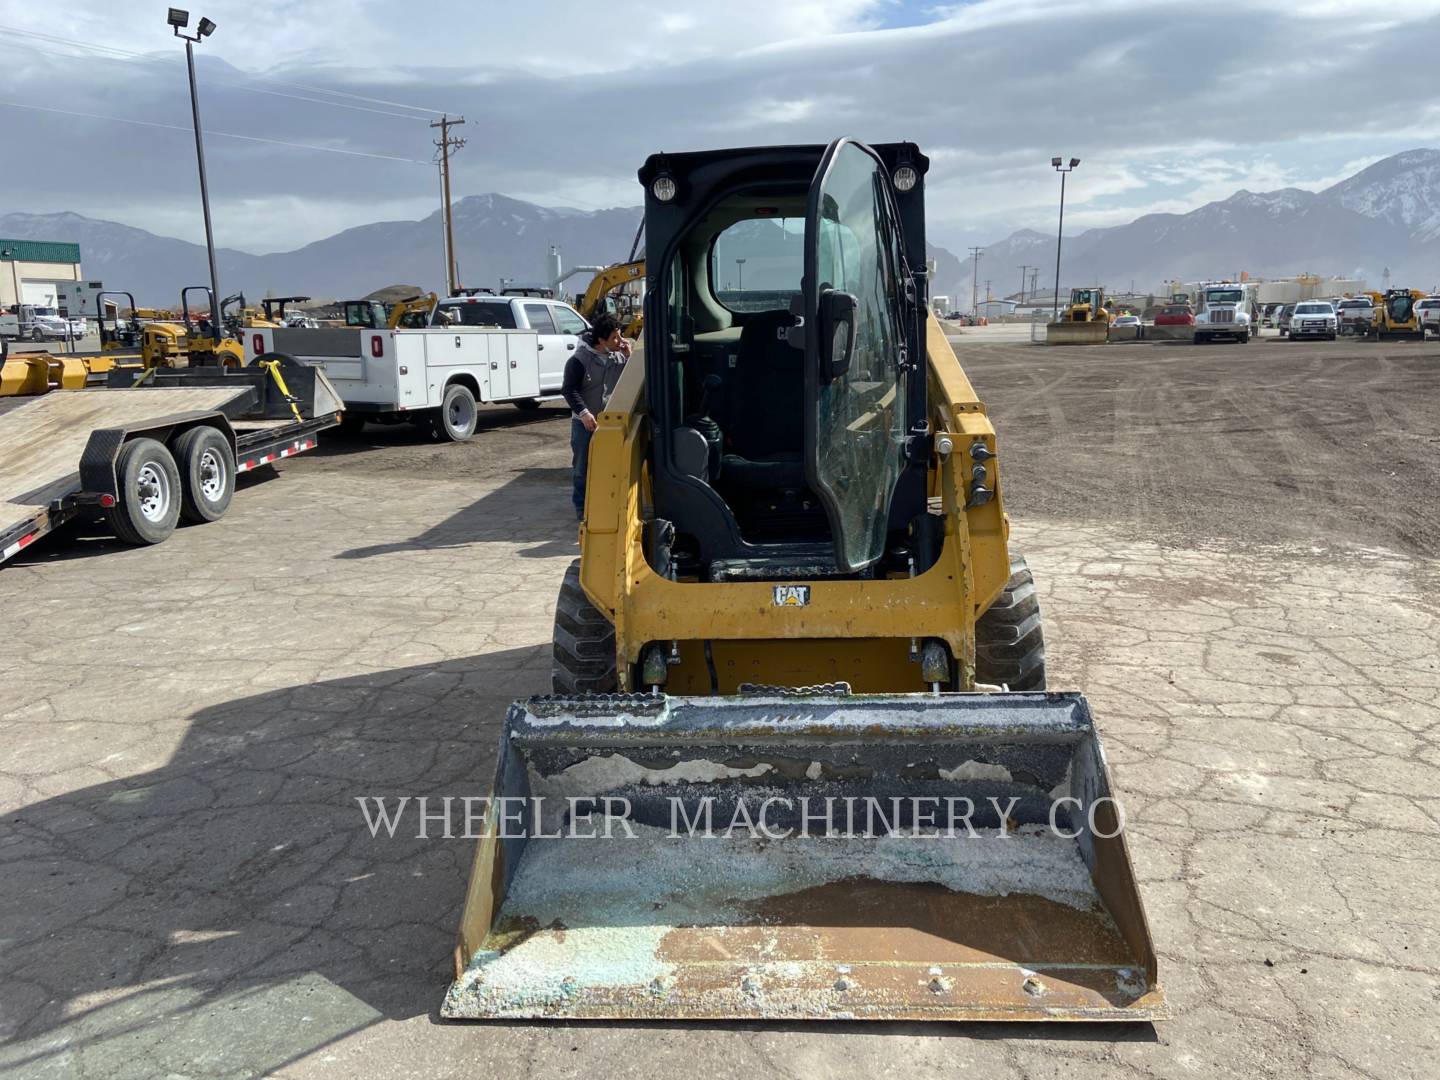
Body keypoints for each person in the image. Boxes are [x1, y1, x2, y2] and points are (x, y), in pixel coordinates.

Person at [561, 313, 632, 520]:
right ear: (601, 340)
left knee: (610, 467)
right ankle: (581, 509)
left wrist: (629, 357)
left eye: (620, 336)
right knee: (582, 468)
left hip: (610, 425)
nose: (621, 341)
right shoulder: (579, 361)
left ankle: (607, 506)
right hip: (584, 424)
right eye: (615, 338)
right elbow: (569, 390)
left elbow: (631, 381)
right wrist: (584, 413)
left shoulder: (618, 357)